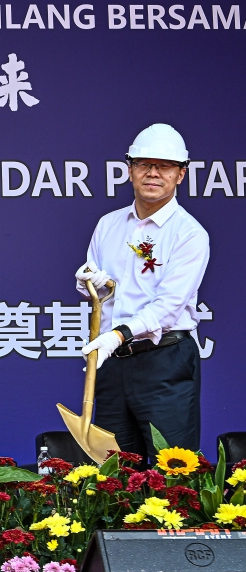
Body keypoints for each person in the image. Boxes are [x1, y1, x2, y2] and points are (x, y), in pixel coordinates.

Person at [77, 123, 209, 460]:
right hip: (112, 363)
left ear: (180, 174)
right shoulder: (108, 224)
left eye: (164, 166)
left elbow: (169, 305)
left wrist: (118, 335)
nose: (153, 173)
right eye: (144, 164)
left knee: (173, 470)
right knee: (114, 473)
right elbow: (101, 292)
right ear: (130, 169)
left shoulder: (189, 233)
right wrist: (89, 283)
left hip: (165, 361)